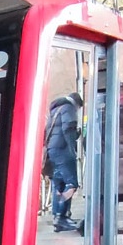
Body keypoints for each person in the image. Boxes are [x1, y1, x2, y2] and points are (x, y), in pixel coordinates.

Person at [45, 91, 83, 232]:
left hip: (53, 150)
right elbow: (68, 128)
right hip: (63, 149)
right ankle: (62, 216)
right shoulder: (69, 107)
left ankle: (57, 216)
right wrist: (72, 148)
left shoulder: (55, 109)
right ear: (77, 104)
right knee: (71, 184)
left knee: (58, 184)